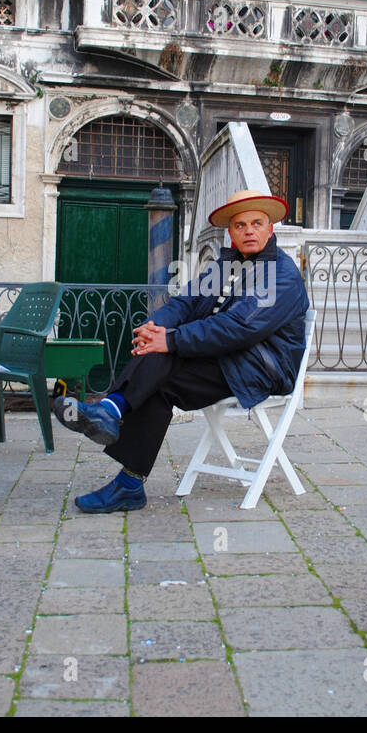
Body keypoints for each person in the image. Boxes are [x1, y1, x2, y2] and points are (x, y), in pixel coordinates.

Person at [53, 189, 310, 513]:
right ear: (230, 232)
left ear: (269, 228)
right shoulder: (225, 265)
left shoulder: (281, 275)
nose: (248, 231)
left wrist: (171, 340)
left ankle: (113, 418)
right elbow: (186, 302)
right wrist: (155, 327)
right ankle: (123, 461)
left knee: (164, 360)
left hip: (260, 368)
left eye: (256, 223)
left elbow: (240, 327)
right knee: (158, 373)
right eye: (240, 225)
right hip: (223, 356)